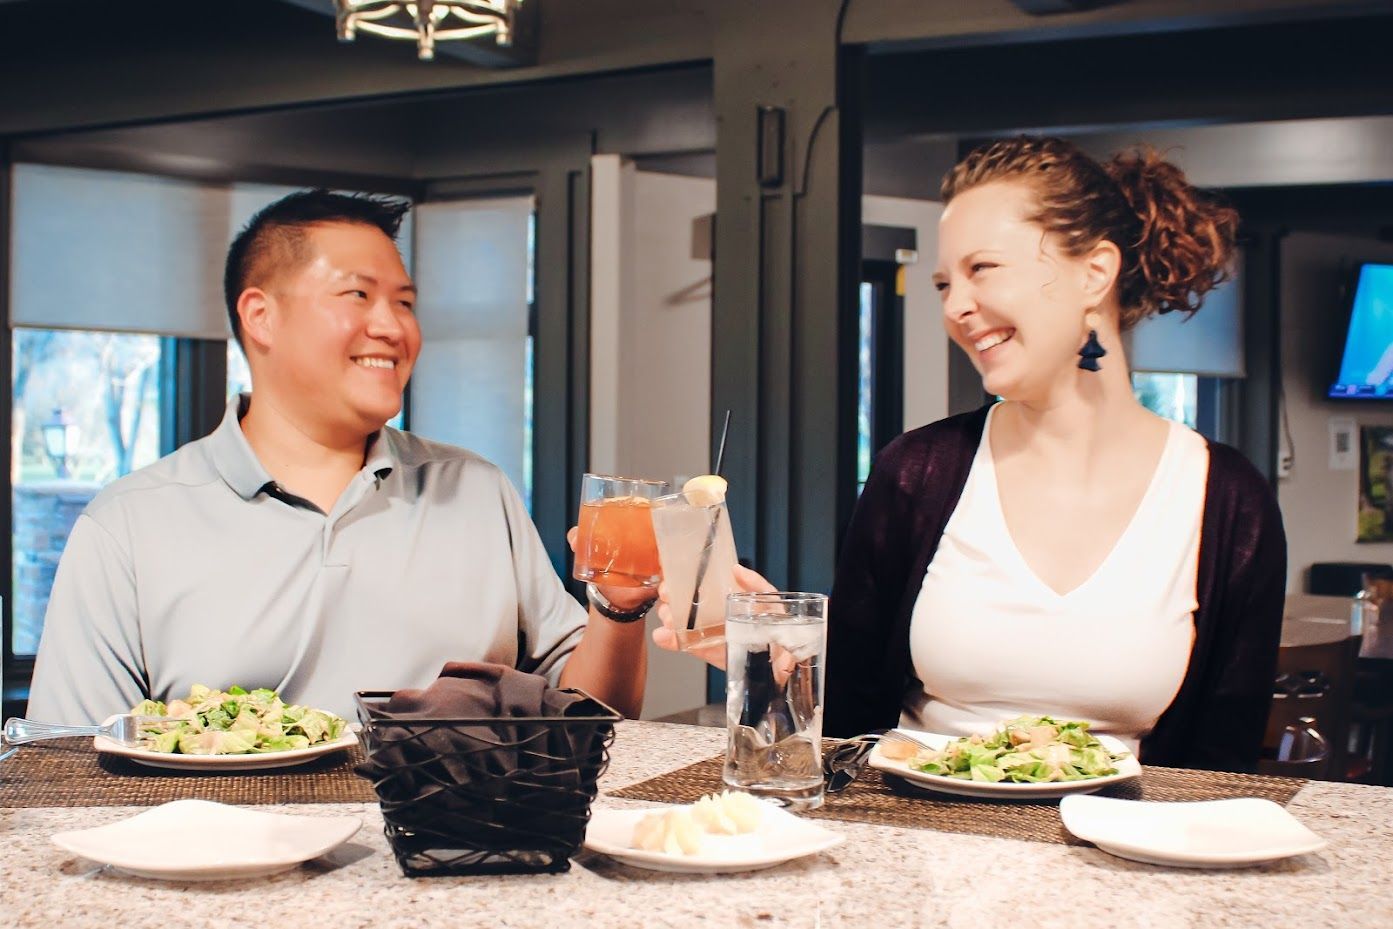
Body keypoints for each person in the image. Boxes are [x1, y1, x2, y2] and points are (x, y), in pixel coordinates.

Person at [660, 137, 1286, 773]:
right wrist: (781, 662)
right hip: (911, 845)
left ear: (1095, 272)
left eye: (982, 268)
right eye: (943, 283)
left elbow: (1219, 772)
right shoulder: (916, 472)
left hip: (1121, 855)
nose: (955, 307)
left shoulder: (1227, 499)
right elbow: (842, 726)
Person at [29, 190, 651, 724]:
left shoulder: (477, 491)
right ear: (260, 317)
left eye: (404, 303)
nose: (392, 326)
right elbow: (68, 771)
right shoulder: (129, 525)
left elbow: (590, 720)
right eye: (357, 295)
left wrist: (618, 608)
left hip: (461, 853)